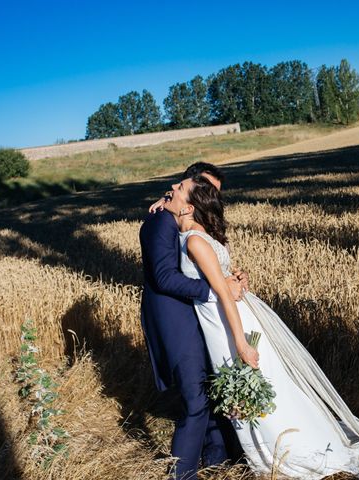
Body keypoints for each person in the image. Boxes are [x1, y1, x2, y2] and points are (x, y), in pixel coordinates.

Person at [159, 173, 359, 479]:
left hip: (227, 325)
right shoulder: (196, 234)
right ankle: (275, 445)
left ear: (190, 206)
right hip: (226, 319)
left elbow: (223, 293)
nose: (172, 188)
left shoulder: (195, 240)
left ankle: (290, 451)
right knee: (272, 385)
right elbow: (224, 282)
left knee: (261, 384)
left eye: (179, 188)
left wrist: (239, 343)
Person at [139, 162, 247, 479]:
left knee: (210, 389)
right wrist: (216, 288)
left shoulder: (185, 218)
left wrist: (230, 276)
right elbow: (163, 278)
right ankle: (182, 474)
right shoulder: (161, 222)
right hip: (177, 319)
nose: (212, 198)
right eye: (207, 190)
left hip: (202, 314)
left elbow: (207, 261)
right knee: (195, 399)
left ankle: (217, 458)